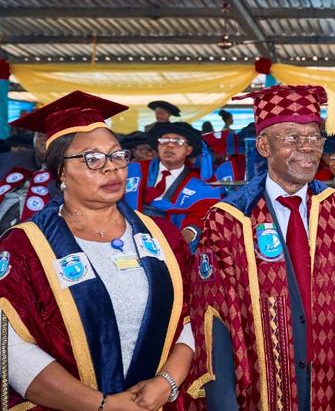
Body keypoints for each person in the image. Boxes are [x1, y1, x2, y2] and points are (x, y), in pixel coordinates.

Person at [185, 84, 335, 410]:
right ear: (264, 145)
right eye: (292, 137)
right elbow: (212, 319)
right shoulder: (229, 220)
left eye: (314, 136)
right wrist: (222, 402)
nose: (307, 147)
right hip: (258, 387)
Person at [0, 90, 194, 410]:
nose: (111, 168)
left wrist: (167, 381)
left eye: (117, 155)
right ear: (61, 171)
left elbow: (194, 316)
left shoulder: (164, 237)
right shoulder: (25, 247)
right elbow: (11, 345)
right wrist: (103, 405)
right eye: (92, 158)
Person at [124, 121, 221, 248]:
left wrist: (186, 235)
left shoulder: (199, 185)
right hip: (128, 240)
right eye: (164, 141)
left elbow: (201, 215)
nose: (169, 145)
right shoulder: (132, 170)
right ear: (158, 146)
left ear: (188, 150)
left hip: (173, 245)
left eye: (177, 141)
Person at [0, 132, 57, 233]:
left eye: (50, 136)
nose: (44, 141)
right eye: (40, 136)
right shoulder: (7, 160)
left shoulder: (73, 173)